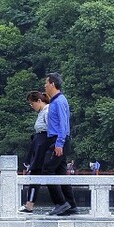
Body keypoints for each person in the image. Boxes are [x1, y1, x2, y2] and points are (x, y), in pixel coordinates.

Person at [41, 73, 77, 216]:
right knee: (60, 173)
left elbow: (63, 124)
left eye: (46, 83)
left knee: (47, 170)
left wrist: (59, 143)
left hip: (58, 140)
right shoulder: (55, 101)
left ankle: (61, 203)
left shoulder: (60, 101)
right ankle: (71, 205)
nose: (44, 86)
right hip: (58, 140)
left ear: (52, 84)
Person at [20, 90, 50, 213]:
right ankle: (29, 203)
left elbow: (51, 129)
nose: (32, 107)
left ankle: (30, 203)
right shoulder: (42, 112)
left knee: (38, 173)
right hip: (39, 144)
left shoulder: (47, 111)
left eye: (32, 104)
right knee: (34, 173)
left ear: (39, 101)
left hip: (44, 145)